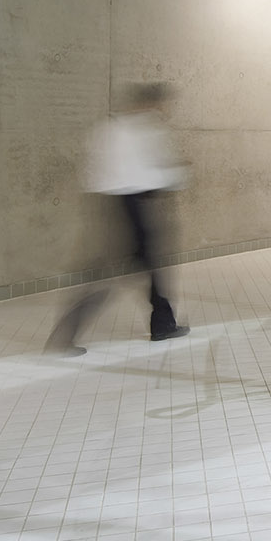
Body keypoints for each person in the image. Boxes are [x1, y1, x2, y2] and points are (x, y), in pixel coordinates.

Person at [46, 83, 190, 354]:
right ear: (152, 103)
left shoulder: (108, 128)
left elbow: (94, 173)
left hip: (112, 206)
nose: (164, 110)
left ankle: (163, 322)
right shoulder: (145, 129)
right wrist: (178, 173)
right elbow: (158, 173)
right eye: (162, 105)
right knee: (116, 273)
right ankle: (64, 336)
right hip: (133, 206)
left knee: (146, 267)